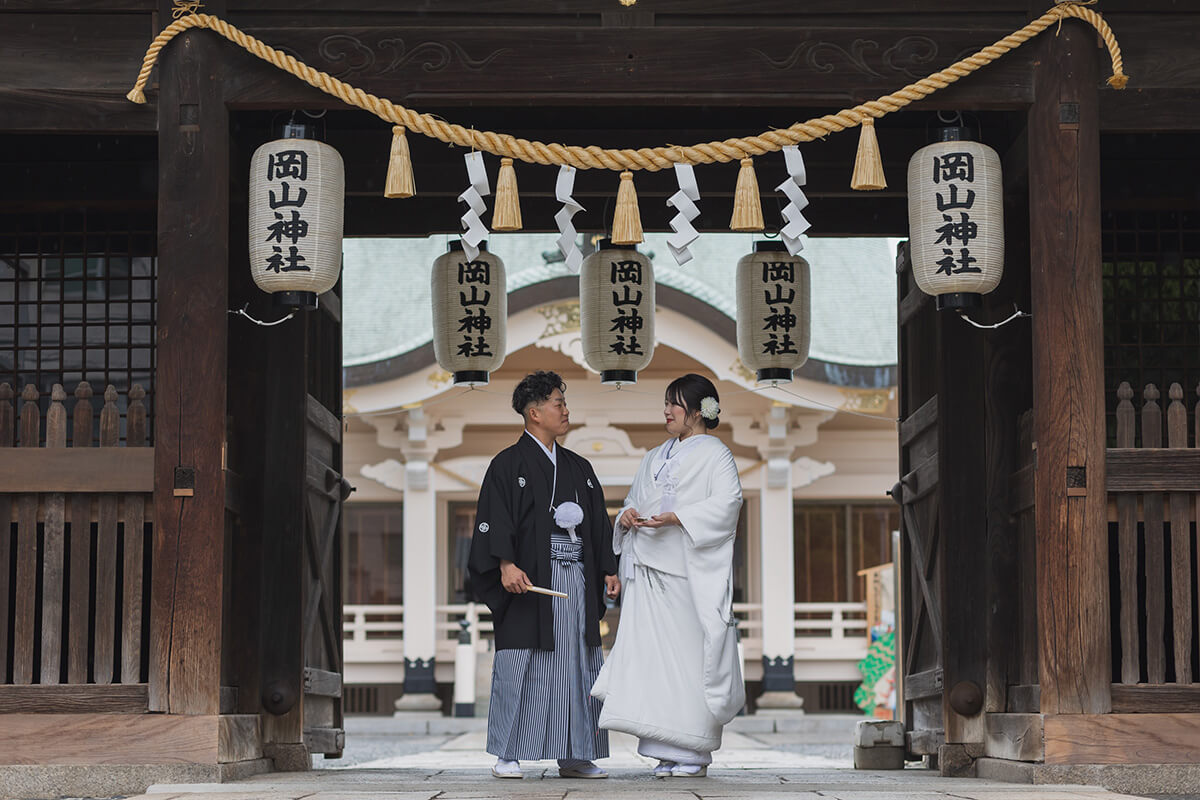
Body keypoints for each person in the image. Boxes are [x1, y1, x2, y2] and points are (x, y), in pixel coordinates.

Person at [469, 370, 621, 779]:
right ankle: (507, 752)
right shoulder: (507, 464)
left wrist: (608, 568)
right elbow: (494, 519)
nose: (565, 410)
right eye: (558, 403)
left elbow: (597, 526)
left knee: (576, 663)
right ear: (534, 413)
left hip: (575, 581)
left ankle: (575, 754)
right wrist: (504, 563)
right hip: (528, 581)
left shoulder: (579, 467)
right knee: (521, 663)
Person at [591, 373, 744, 778]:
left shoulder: (717, 454)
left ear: (697, 411)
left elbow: (729, 503)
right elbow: (635, 498)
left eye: (674, 404)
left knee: (689, 660)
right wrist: (626, 516)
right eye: (666, 403)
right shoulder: (655, 454)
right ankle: (665, 748)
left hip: (686, 574)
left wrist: (681, 516)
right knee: (654, 662)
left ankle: (693, 750)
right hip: (650, 572)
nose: (666, 411)